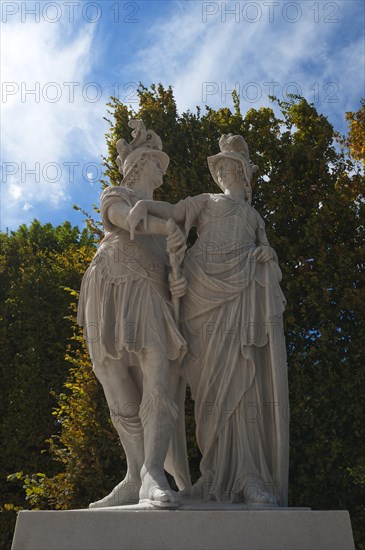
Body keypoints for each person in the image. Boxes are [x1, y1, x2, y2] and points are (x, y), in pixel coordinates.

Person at [127, 133, 289, 506]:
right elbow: (170, 212)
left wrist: (266, 256)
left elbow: (268, 257)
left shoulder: (252, 216)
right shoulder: (205, 202)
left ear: (242, 174)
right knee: (207, 392)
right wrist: (141, 208)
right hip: (200, 300)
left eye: (228, 167)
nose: (222, 173)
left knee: (242, 387)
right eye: (219, 168)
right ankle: (213, 473)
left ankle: (248, 477)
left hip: (240, 302)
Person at [77, 120, 190, 509]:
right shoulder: (116, 194)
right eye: (158, 163)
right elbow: (126, 219)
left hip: (148, 293)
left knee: (157, 371)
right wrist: (166, 228)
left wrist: (179, 278)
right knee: (112, 376)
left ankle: (154, 473)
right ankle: (134, 471)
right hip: (107, 285)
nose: (163, 169)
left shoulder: (169, 223)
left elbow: (177, 274)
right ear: (139, 165)